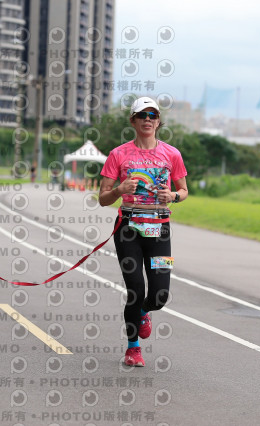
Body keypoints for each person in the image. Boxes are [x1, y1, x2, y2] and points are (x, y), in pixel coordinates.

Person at [98, 96, 188, 367]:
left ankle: (145, 313)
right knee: (136, 289)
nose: (148, 119)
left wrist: (172, 195)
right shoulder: (118, 154)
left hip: (160, 230)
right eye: (142, 115)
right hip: (128, 230)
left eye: (153, 115)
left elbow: (184, 191)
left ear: (158, 121)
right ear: (133, 121)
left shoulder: (172, 154)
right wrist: (119, 190)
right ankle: (133, 348)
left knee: (159, 296)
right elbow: (103, 198)